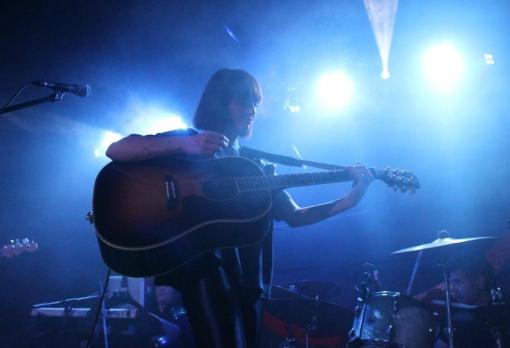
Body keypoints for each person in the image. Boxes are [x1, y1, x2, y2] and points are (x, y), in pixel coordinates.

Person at [106, 68, 373, 347]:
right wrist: (186, 142)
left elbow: (295, 216)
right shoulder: (189, 140)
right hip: (205, 271)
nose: (252, 111)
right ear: (220, 103)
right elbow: (117, 149)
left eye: (255, 104)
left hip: (248, 280)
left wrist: (349, 200)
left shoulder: (254, 168)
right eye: (244, 102)